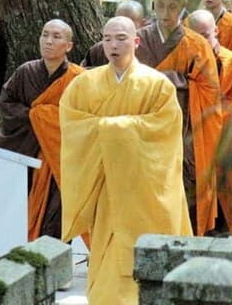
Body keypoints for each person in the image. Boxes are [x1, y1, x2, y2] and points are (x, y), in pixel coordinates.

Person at [60, 17, 191, 304]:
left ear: (136, 41)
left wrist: (108, 128)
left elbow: (165, 131)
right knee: (109, 255)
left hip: (145, 189)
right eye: (107, 39)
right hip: (108, 186)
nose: (112, 45)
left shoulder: (157, 85)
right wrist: (117, 130)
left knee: (148, 254)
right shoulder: (84, 85)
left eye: (120, 38)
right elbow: (73, 125)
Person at [85, 0, 222, 235]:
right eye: (160, 5)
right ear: (153, 5)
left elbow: (209, 92)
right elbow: (116, 75)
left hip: (181, 131)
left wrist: (163, 80)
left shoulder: (197, 45)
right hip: (137, 127)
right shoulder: (138, 40)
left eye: (172, 6)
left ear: (183, 7)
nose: (165, 13)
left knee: (180, 187)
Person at [0, 19, 83, 241]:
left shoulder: (79, 79)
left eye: (56, 37)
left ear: (69, 46)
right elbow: (7, 104)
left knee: (58, 216)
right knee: (21, 208)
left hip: (61, 160)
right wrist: (36, 117)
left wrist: (48, 119)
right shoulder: (25, 72)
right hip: (28, 153)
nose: (48, 41)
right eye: (45, 35)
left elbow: (85, 119)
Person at [187, 10, 232, 237]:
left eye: (206, 35)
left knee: (224, 200)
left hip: (225, 144)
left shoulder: (231, 63)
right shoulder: (184, 62)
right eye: (195, 37)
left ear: (216, 32)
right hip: (193, 146)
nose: (202, 43)